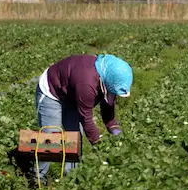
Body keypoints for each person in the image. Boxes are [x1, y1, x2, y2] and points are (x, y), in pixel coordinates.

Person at [34, 53, 132, 183]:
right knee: (51, 136)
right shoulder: (87, 83)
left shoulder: (106, 78)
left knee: (74, 136)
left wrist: (116, 132)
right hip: (52, 90)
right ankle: (38, 179)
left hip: (72, 94)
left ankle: (71, 177)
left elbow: (108, 112)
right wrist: (99, 145)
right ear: (108, 82)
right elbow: (86, 118)